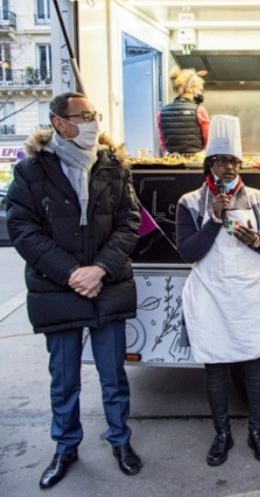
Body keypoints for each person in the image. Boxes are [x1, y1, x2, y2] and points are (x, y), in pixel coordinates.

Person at [6, 92, 143, 489]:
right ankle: (66, 446)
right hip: (57, 288)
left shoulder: (113, 166)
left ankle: (120, 441)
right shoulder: (31, 170)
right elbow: (22, 230)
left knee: (113, 375)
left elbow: (129, 222)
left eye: (94, 115)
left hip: (107, 284)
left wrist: (99, 269)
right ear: (59, 123)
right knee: (63, 378)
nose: (93, 123)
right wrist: (71, 273)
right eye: (84, 116)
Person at [175, 115, 260, 467]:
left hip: (249, 292)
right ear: (210, 164)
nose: (228, 167)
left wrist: (257, 240)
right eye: (222, 161)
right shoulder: (190, 203)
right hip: (209, 292)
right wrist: (212, 219)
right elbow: (188, 252)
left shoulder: (258, 199)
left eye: (234, 161)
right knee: (216, 367)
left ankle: (257, 431)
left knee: (254, 365)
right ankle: (222, 434)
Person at [157, 66, 210, 154]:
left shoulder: (161, 113)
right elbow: (208, 138)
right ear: (190, 88)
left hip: (171, 160)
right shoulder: (199, 110)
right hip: (195, 159)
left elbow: (163, 142)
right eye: (200, 89)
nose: (201, 93)